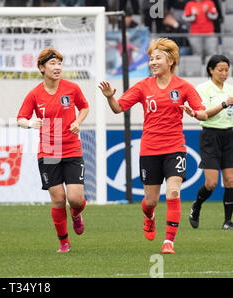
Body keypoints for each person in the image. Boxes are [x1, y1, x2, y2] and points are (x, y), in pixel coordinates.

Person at [98, 38, 208, 254]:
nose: (153, 62)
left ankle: (169, 241)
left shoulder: (184, 87)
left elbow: (202, 111)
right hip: (149, 149)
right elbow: (119, 108)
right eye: (151, 59)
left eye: (157, 58)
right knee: (150, 201)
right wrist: (110, 98)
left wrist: (194, 113)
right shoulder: (142, 86)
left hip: (175, 147)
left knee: (174, 192)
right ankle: (149, 217)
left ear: (170, 60)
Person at [17, 47, 89, 253]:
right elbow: (20, 119)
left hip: (72, 149)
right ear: (41, 68)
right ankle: (64, 243)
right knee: (58, 199)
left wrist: (78, 121)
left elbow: (85, 106)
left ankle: (76, 213)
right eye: (52, 64)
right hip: (48, 150)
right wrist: (31, 124)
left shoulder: (72, 88)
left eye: (59, 64)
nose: (57, 68)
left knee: (75, 199)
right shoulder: (34, 94)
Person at [189, 55, 233, 230]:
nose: (224, 73)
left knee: (230, 180)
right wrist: (223, 104)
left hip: (229, 135)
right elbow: (204, 113)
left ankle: (227, 221)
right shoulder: (203, 89)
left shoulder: (230, 89)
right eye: (220, 70)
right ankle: (197, 206)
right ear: (211, 70)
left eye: (226, 70)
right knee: (211, 183)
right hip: (210, 136)